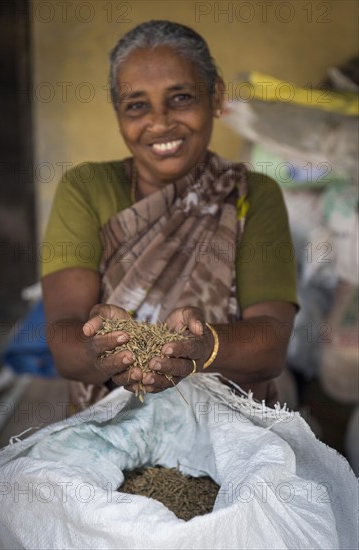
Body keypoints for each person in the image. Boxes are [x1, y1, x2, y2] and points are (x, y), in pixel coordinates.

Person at [41, 20, 298, 410]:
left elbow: (270, 346)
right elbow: (64, 342)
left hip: (228, 431)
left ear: (215, 96)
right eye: (137, 105)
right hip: (106, 429)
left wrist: (204, 346)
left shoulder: (251, 195)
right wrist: (100, 347)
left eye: (180, 98)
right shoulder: (86, 187)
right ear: (117, 112)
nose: (159, 123)